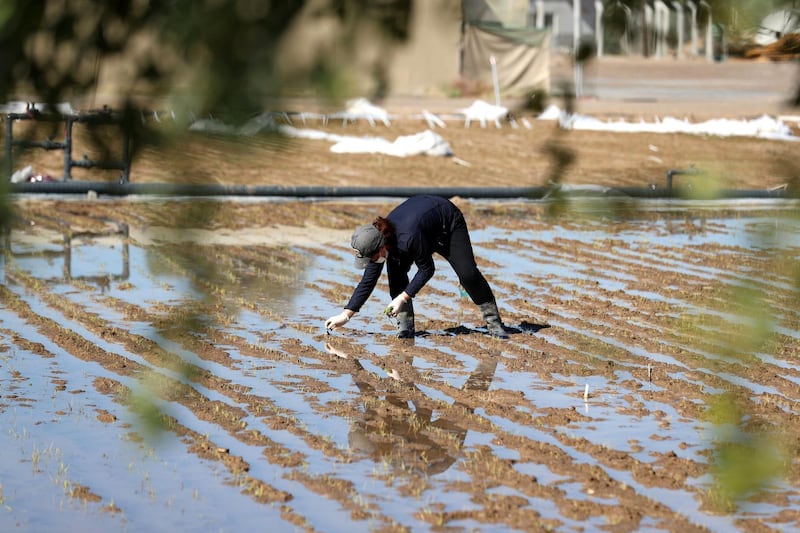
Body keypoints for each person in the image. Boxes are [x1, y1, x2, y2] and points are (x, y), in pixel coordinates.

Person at [324, 195, 509, 339]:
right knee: (396, 276)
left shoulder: (408, 239)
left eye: (371, 258)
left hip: (447, 223)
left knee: (468, 274)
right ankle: (405, 330)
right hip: (421, 226)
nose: (370, 262)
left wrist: (403, 297)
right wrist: (346, 315)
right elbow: (367, 282)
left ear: (381, 248)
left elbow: (427, 269)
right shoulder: (376, 243)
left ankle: (494, 323)